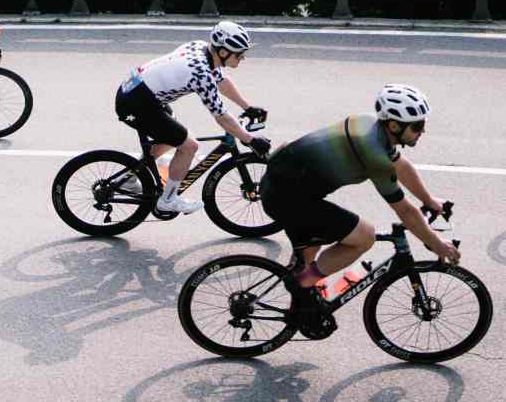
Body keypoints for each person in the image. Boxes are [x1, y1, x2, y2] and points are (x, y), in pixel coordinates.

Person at [260, 84, 460, 293]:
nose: (422, 131)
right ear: (393, 126)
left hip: (283, 185)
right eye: (417, 126)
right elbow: (404, 210)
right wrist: (435, 243)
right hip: (287, 199)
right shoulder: (374, 157)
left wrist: (428, 201)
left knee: (308, 259)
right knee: (364, 236)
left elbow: (401, 166)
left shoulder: (370, 125)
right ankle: (301, 285)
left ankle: (301, 304)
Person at [116, 21, 270, 214]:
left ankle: (127, 179)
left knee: (174, 136)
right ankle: (168, 200)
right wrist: (250, 139)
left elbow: (221, 81)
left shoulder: (201, 48)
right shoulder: (201, 74)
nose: (243, 57)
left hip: (139, 93)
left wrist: (247, 107)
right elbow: (221, 116)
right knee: (189, 145)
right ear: (223, 52)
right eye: (239, 53)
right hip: (136, 103)